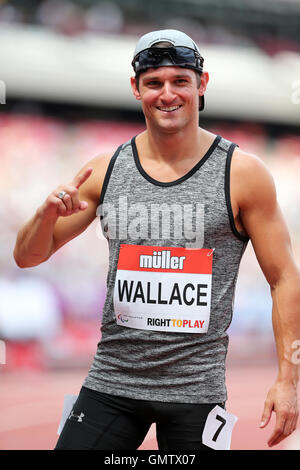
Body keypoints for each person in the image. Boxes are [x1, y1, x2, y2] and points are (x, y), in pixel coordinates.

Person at [13, 29, 300, 451]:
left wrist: (288, 380)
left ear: (201, 84)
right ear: (136, 88)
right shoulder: (104, 170)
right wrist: (44, 215)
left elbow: (284, 279)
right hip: (112, 380)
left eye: (180, 81)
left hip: (196, 392)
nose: (168, 94)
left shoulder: (243, 174)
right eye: (154, 83)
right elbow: (27, 257)